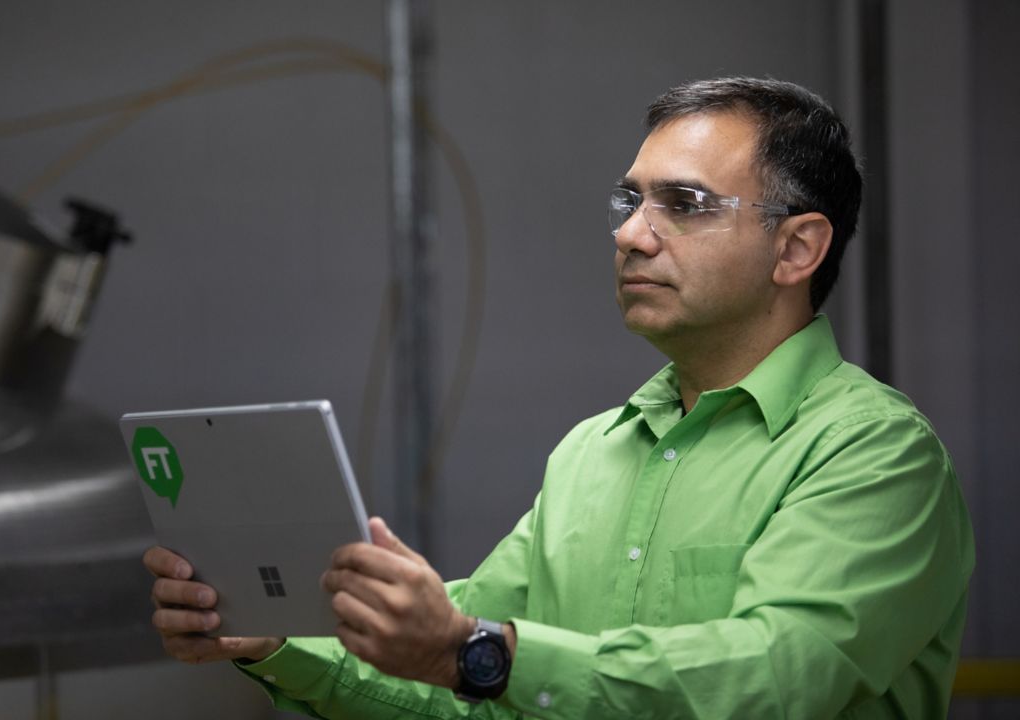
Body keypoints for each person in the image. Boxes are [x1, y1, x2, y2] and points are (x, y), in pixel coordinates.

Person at [143, 77, 975, 718]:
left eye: (683, 204)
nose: (629, 233)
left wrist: (475, 651)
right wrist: (277, 642)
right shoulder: (594, 453)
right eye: (631, 200)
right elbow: (458, 682)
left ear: (797, 248)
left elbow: (771, 680)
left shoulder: (872, 453)